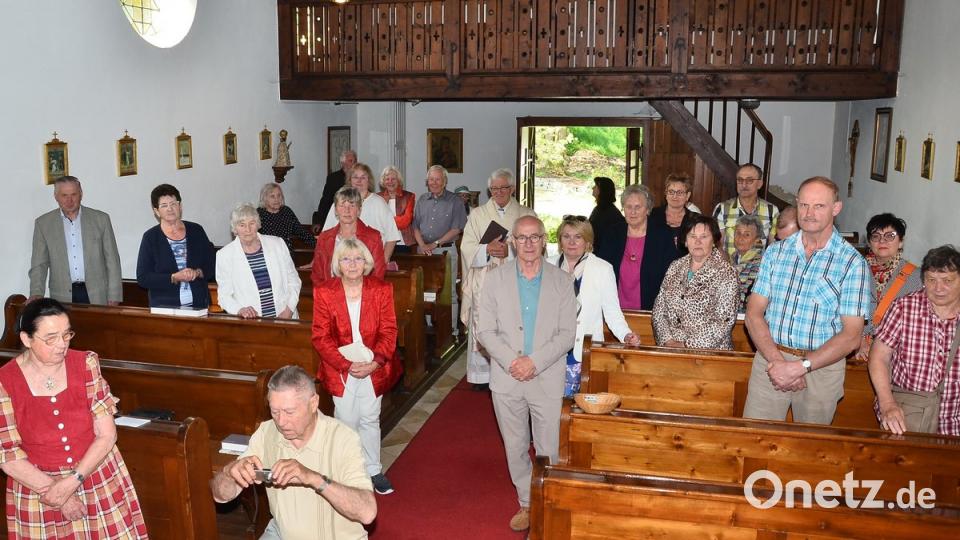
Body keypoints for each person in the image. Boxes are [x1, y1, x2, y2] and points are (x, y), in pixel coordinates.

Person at [0, 299, 147, 537]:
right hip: (38, 489)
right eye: (51, 338)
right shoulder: (4, 382)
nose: (62, 345)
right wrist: (56, 493)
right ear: (26, 339)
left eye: (66, 335)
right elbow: (8, 456)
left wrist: (72, 482)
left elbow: (107, 434)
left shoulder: (86, 363)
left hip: (93, 472)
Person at [476, 216, 577, 533]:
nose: (529, 244)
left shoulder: (561, 280)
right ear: (512, 242)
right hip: (508, 379)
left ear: (544, 240)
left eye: (535, 237)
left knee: (549, 448)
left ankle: (548, 501)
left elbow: (566, 334)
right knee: (515, 446)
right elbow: (485, 331)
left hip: (545, 376)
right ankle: (527, 503)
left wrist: (533, 361)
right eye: (522, 238)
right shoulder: (495, 279)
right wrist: (512, 361)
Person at [742, 177, 870, 425]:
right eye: (804, 205)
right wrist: (779, 363)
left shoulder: (852, 263)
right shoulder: (776, 252)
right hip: (771, 360)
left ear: (836, 208)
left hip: (821, 368)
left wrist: (802, 366)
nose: (809, 213)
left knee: (811, 450)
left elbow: (852, 336)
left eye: (819, 206)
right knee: (755, 440)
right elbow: (754, 313)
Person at [211, 365, 377, 539]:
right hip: (281, 534)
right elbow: (220, 495)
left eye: (289, 412)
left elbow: (367, 512)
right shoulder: (266, 432)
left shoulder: (344, 438)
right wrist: (230, 472)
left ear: (313, 403)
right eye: (274, 411)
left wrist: (312, 478)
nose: (281, 422)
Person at [312, 239, 403, 496]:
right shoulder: (325, 291)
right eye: (346, 259)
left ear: (366, 263)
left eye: (357, 259)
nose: (352, 264)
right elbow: (320, 336)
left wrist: (375, 362)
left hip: (374, 365)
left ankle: (373, 469)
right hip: (339, 367)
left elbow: (389, 330)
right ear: (337, 264)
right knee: (346, 419)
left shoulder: (381, 289)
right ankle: (350, 471)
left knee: (370, 418)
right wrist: (346, 364)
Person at [868, 246, 960, 435]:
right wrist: (887, 404)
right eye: (931, 280)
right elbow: (879, 357)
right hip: (907, 415)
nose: (938, 288)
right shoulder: (904, 308)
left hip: (955, 419)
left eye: (947, 281)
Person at [460, 168, 536, 390]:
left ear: (512, 189)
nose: (499, 192)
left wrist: (510, 252)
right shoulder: (477, 215)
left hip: (515, 282)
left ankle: (514, 367)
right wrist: (486, 249)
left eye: (504, 187)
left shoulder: (526, 214)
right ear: (489, 190)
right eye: (495, 188)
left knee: (511, 324)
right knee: (484, 323)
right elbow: (467, 247)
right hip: (485, 280)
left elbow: (535, 245)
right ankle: (482, 376)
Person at [550, 216, 640, 396]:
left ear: (588, 240)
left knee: (575, 406)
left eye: (578, 237)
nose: (572, 242)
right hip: (550, 347)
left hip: (583, 348)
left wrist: (626, 335)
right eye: (566, 236)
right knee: (548, 404)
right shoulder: (547, 265)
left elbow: (612, 312)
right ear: (560, 240)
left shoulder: (602, 268)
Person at [29, 176, 123, 305]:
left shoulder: (101, 219)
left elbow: (112, 260)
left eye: (74, 194)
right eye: (64, 195)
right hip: (61, 296)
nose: (69, 200)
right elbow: (39, 264)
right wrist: (36, 293)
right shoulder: (43, 224)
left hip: (98, 294)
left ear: (81, 194)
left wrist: (114, 295)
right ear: (56, 196)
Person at [652, 215, 739, 350]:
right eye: (692, 236)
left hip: (709, 353)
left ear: (714, 241)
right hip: (670, 349)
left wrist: (687, 345)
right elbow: (659, 309)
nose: (697, 242)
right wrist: (668, 342)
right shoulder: (675, 267)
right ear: (685, 241)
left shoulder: (726, 272)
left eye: (704, 237)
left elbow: (724, 321)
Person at [855, 213, 923, 360]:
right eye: (876, 236)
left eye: (890, 236)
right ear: (869, 242)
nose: (882, 241)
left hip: (897, 354)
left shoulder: (917, 277)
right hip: (857, 349)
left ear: (901, 242)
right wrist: (858, 340)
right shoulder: (855, 270)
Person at [216, 204, 302, 319]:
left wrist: (289, 310)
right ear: (235, 229)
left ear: (258, 224)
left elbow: (294, 280)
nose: (248, 229)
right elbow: (224, 297)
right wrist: (240, 310)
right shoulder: (225, 255)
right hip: (252, 323)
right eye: (242, 225)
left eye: (252, 223)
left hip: (285, 317)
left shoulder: (277, 244)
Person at [136, 184, 215, 308]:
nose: (170, 209)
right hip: (166, 309)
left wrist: (197, 272)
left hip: (199, 305)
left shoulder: (196, 230)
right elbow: (143, 277)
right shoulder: (150, 238)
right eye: (164, 206)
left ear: (180, 206)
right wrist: (173, 277)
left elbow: (211, 265)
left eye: (173, 204)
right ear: (156, 211)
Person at [413, 165, 469, 336]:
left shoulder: (455, 201)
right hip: (423, 252)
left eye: (438, 179)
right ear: (427, 181)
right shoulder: (422, 199)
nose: (434, 182)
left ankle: (451, 330)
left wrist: (435, 244)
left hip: (445, 252)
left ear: (445, 181)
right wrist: (422, 245)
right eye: (431, 179)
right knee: (426, 291)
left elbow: (457, 229)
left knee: (448, 291)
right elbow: (415, 226)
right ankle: (430, 328)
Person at [322, 163, 402, 262]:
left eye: (363, 177)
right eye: (355, 177)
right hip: (341, 262)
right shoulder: (339, 203)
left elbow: (392, 236)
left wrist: (383, 261)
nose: (359, 181)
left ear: (369, 180)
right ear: (350, 180)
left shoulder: (379, 203)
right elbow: (325, 236)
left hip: (372, 262)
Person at [616, 184, 678, 311]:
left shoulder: (662, 234)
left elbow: (672, 275)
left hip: (651, 310)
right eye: (628, 207)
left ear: (648, 209)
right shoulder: (612, 233)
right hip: (615, 311)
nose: (633, 212)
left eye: (638, 207)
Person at [311, 187, 387, 284]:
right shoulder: (324, 238)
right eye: (342, 205)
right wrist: (328, 295)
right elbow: (317, 275)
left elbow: (377, 276)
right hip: (330, 294)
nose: (347, 210)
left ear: (359, 210)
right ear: (336, 210)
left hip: (363, 296)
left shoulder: (373, 237)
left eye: (352, 205)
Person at [712, 163, 779, 258]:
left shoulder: (772, 211)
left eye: (749, 180)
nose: (744, 184)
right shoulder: (723, 209)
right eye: (740, 180)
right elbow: (717, 245)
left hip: (759, 269)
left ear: (760, 184)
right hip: (729, 267)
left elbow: (774, 247)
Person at [257, 183, 316, 249]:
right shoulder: (259, 214)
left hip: (286, 252)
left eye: (279, 195)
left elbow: (300, 231)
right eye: (272, 196)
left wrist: (319, 243)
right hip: (268, 253)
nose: (277, 199)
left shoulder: (286, 211)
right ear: (265, 199)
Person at [648, 173, 699, 250]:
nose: (675, 196)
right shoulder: (652, 214)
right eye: (671, 192)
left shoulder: (696, 219)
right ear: (666, 194)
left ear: (687, 196)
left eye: (680, 193)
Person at [588, 176, 627, 276]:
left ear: (602, 190)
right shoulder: (600, 209)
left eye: (595, 186)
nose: (593, 188)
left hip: (605, 258)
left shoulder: (609, 212)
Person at [377, 166, 416, 253]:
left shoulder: (409, 196)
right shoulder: (377, 197)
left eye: (393, 179)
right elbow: (376, 222)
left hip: (404, 243)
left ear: (398, 180)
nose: (390, 182)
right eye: (387, 179)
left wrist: (385, 222)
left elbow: (405, 221)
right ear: (383, 181)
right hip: (383, 242)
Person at [732, 214, 764, 312]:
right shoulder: (733, 257)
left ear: (757, 240)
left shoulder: (760, 262)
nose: (741, 238)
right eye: (738, 233)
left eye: (747, 234)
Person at [315, 149, 356, 226]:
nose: (354, 164)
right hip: (336, 218)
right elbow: (326, 200)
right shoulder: (333, 178)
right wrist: (319, 221)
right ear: (343, 163)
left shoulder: (358, 178)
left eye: (355, 161)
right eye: (351, 161)